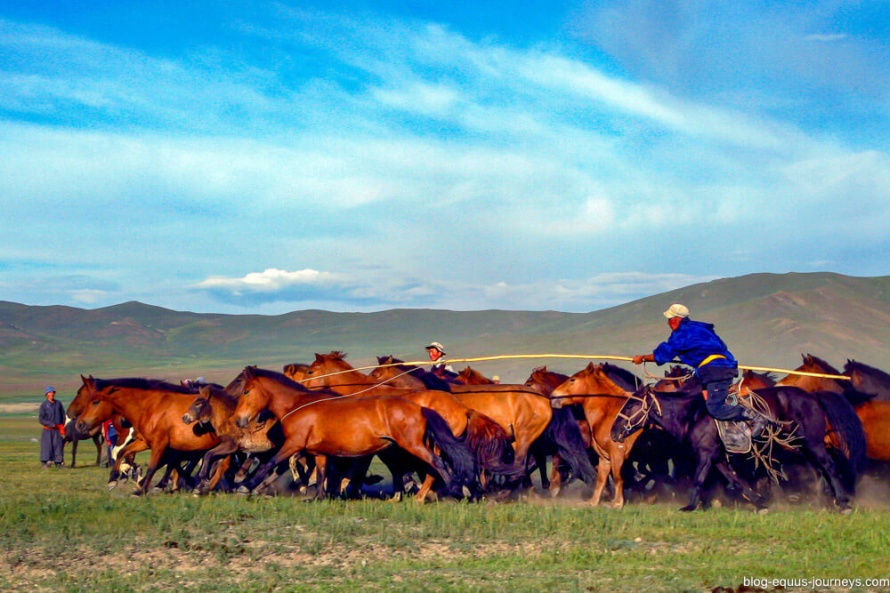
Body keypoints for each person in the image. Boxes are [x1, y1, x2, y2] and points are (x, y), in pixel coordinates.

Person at [632, 304, 771, 437]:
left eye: (669, 320)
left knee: (715, 408)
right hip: (718, 368)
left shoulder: (682, 334)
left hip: (714, 370)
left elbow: (662, 355)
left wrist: (642, 358)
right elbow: (721, 345)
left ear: (676, 320)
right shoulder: (701, 328)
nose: (668, 323)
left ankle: (755, 417)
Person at [39, 386, 66, 468]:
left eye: (53, 392)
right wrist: (50, 424)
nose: (52, 394)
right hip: (48, 430)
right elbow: (41, 418)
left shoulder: (58, 404)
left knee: (58, 446)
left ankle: (58, 463)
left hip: (57, 430)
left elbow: (63, 415)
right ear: (46, 394)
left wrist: (62, 426)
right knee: (47, 446)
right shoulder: (44, 405)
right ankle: (45, 462)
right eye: (50, 392)